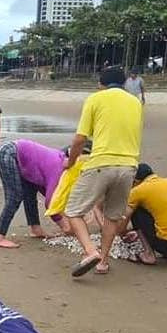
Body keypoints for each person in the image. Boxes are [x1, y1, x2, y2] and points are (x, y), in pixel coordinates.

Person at [63, 67, 143, 277]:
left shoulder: (95, 99)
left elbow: (80, 139)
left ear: (101, 83)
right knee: (112, 216)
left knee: (73, 210)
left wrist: (70, 162)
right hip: (129, 166)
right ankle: (103, 262)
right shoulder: (135, 102)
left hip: (101, 162)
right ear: (124, 83)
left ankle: (90, 251)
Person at [0, 140, 73, 248]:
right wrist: (64, 225)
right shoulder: (58, 168)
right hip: (8, 152)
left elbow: (46, 190)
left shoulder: (58, 160)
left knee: (30, 193)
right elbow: (50, 203)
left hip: (20, 158)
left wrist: (63, 212)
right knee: (14, 197)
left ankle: (35, 229)